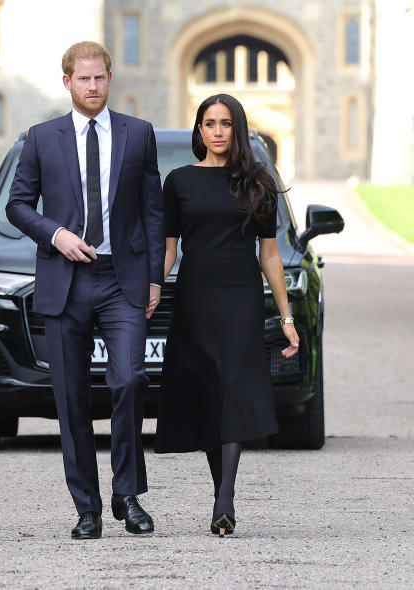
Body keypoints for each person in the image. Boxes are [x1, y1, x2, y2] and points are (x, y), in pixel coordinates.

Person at [6, 41, 165, 539]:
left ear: (110, 79)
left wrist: (156, 276)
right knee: (71, 397)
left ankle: (127, 494)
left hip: (123, 280)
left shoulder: (138, 134)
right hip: (65, 279)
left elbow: (152, 210)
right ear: (67, 82)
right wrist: (56, 234)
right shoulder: (40, 137)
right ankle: (87, 508)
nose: (92, 87)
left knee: (129, 381)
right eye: (83, 79)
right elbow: (17, 204)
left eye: (100, 78)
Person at [154, 93, 299, 537]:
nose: (217, 131)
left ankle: (225, 497)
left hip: (240, 294)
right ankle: (222, 494)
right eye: (209, 123)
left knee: (234, 385)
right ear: (199, 130)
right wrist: (153, 287)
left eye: (225, 123)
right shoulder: (178, 181)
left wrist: (287, 319)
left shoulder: (258, 181)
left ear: (237, 128)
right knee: (208, 390)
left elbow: (270, 256)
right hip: (196, 293)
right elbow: (168, 249)